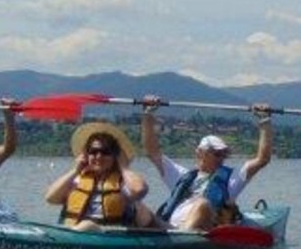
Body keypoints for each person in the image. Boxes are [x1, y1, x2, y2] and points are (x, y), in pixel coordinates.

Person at [140, 98, 273, 231]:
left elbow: (262, 159)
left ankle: (181, 236)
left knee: (202, 204)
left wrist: (264, 121)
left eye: (224, 154)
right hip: (170, 226)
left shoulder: (233, 178)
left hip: (199, 229)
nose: (221, 158)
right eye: (216, 154)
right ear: (200, 153)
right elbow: (153, 152)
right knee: (138, 208)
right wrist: (148, 113)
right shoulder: (182, 175)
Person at [46, 121, 152, 230]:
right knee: (85, 225)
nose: (99, 156)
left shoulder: (124, 183)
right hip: (74, 234)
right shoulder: (76, 180)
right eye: (93, 151)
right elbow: (51, 198)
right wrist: (75, 170)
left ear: (115, 157)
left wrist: (123, 167)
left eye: (105, 152)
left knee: (87, 225)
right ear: (86, 155)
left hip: (108, 236)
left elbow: (140, 190)